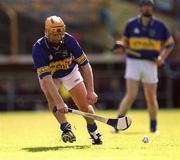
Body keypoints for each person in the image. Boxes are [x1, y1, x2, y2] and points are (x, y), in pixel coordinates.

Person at [32, 15, 102, 144]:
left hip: (70, 72)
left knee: (85, 107)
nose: (58, 37)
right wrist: (59, 102)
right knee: (50, 94)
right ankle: (66, 128)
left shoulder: (69, 40)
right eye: (54, 34)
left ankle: (93, 131)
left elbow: (85, 65)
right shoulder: (38, 48)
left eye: (60, 33)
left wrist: (91, 90)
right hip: (51, 76)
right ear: (46, 32)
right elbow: (46, 79)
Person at [113, 0, 174, 132]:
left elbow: (170, 44)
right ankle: (117, 124)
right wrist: (121, 46)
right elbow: (124, 43)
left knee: (151, 97)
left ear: (152, 8)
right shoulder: (131, 24)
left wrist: (161, 58)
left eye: (149, 6)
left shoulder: (160, 25)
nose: (147, 8)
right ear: (140, 8)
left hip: (150, 63)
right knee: (131, 95)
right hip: (133, 62)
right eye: (144, 6)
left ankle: (153, 127)